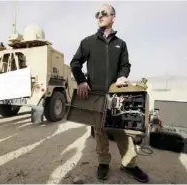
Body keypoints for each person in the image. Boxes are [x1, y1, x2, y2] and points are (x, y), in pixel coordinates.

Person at [70, 4, 149, 183]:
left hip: (116, 96)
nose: (100, 15)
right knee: (99, 131)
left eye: (104, 13)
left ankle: (129, 164)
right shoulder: (87, 42)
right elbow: (75, 63)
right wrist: (81, 80)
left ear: (113, 17)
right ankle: (104, 162)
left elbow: (125, 65)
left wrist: (122, 76)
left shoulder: (121, 44)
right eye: (97, 13)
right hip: (96, 95)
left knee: (120, 131)